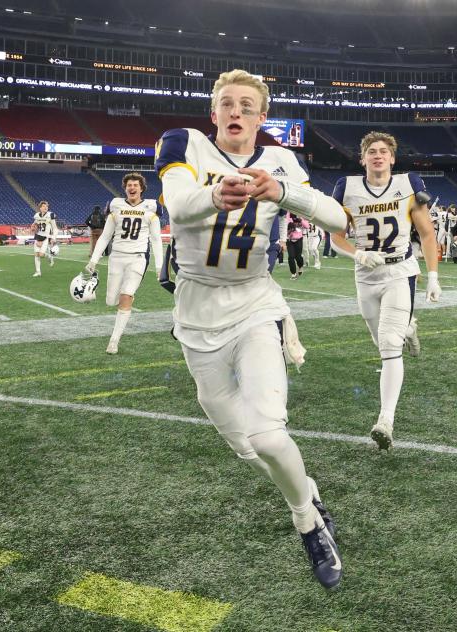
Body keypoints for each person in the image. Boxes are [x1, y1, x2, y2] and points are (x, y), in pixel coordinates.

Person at [156, 69, 349, 589]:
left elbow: (337, 219)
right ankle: (308, 493)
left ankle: (307, 523)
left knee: (267, 433)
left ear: (263, 118)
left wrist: (283, 192)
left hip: (256, 304)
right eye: (226, 103)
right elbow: (177, 204)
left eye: (247, 105)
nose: (236, 112)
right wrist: (214, 197)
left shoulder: (281, 160)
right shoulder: (185, 144)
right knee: (244, 445)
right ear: (213, 112)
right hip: (196, 313)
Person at [330, 131, 442, 450]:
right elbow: (335, 236)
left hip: (399, 269)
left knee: (388, 343)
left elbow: (427, 233)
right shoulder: (346, 187)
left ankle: (386, 420)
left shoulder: (410, 183)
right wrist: (358, 253)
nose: (378, 155)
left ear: (392, 158)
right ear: (362, 158)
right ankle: (409, 328)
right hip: (366, 274)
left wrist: (432, 275)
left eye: (383, 151)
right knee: (382, 342)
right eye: (371, 152)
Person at [86, 173, 163, 354]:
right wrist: (94, 260)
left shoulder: (150, 208)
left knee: (126, 295)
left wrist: (159, 266)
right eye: (129, 185)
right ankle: (100, 289)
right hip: (117, 257)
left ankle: (114, 341)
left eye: (135, 184)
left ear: (141, 188)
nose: (132, 187)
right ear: (125, 188)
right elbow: (105, 236)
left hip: (138, 257)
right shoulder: (116, 206)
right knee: (111, 300)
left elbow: (157, 240)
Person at [32, 201, 56, 275]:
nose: (45, 207)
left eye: (46, 206)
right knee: (36, 254)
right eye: (43, 206)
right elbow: (35, 224)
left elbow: (54, 227)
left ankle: (49, 256)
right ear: (40, 208)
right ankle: (38, 272)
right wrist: (33, 227)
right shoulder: (36, 215)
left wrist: (53, 237)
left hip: (45, 237)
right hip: (37, 236)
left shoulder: (50, 215)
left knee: (41, 255)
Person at [286, 212, 306, 279]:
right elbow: (284, 223)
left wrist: (300, 220)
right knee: (291, 257)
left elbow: (307, 226)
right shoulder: (288, 217)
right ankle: (293, 273)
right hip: (289, 240)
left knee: (298, 257)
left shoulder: (300, 216)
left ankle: (300, 266)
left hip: (298, 239)